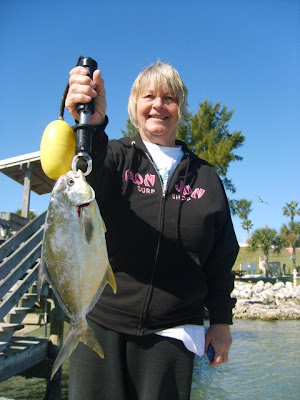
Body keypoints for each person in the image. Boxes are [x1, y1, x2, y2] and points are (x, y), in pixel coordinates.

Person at [65, 60, 239, 400]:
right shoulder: (114, 157)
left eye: (169, 98)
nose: (158, 104)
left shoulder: (206, 178)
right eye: (148, 96)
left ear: (181, 109)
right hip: (100, 323)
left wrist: (220, 323)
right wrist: (91, 123)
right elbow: (87, 169)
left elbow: (221, 256)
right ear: (133, 107)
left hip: (174, 332)